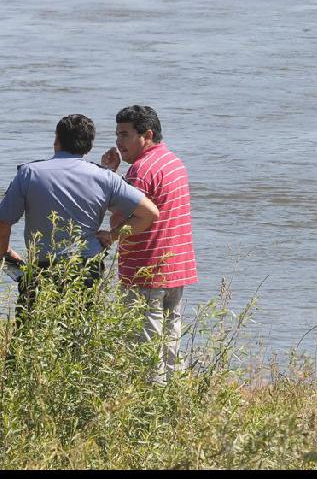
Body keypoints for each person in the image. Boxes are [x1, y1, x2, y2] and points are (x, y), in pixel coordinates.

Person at [0, 114, 159, 316]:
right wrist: (112, 236)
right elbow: (149, 213)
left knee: (32, 334)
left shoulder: (29, 173)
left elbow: (3, 222)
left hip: (41, 270)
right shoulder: (105, 177)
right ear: (88, 146)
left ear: (56, 139)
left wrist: (5, 254)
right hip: (86, 270)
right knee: (79, 339)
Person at [100, 105, 197, 384]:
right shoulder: (173, 162)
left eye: (125, 135)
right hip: (176, 265)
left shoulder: (140, 171)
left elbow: (127, 213)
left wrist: (110, 235)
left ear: (147, 134)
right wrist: (115, 175)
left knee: (143, 342)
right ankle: (172, 394)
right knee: (170, 338)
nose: (119, 142)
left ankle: (148, 400)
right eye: (118, 134)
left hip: (145, 268)